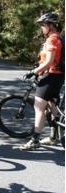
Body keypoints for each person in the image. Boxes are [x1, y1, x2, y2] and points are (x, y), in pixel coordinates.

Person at [20, 12, 65, 150]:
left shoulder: (52, 40)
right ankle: (53, 137)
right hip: (58, 77)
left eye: (43, 25)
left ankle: (35, 140)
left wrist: (33, 72)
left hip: (49, 76)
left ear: (51, 26)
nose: (42, 28)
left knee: (38, 107)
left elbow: (49, 62)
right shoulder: (60, 38)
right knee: (51, 105)